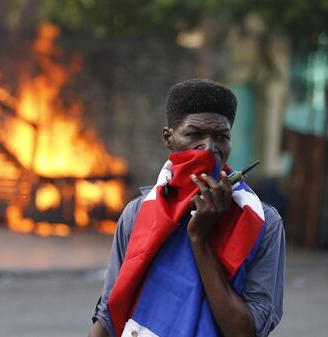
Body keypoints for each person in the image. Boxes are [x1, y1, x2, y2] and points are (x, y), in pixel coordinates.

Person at [88, 79, 285, 337]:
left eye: (221, 137)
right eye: (194, 135)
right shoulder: (138, 214)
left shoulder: (262, 222)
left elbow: (246, 332)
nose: (208, 148)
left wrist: (200, 238)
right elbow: (110, 316)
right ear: (169, 138)